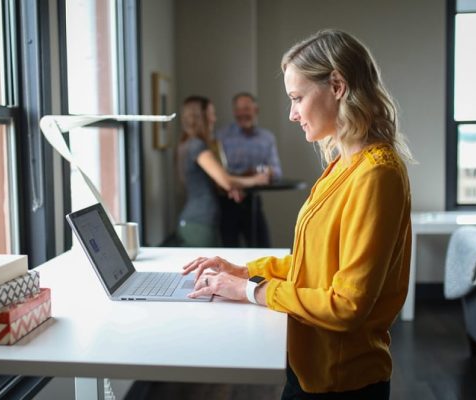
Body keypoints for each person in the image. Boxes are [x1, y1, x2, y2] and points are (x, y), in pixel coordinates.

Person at [182, 29, 413, 399]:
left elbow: (347, 305)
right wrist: (245, 271)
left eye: (297, 98)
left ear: (337, 85)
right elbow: (316, 266)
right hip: (308, 367)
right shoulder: (343, 165)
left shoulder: (376, 174)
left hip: (342, 382)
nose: (292, 114)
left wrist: (250, 291)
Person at [176, 96, 270, 248]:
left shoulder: (189, 143)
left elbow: (218, 180)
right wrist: (256, 180)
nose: (214, 119)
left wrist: (231, 188)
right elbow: (225, 179)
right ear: (201, 117)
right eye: (211, 114)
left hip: (197, 222)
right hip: (200, 223)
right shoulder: (197, 146)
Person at [215, 92, 283, 248]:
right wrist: (246, 178)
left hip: (253, 203)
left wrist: (265, 172)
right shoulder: (221, 136)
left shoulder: (267, 137)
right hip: (227, 203)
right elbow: (219, 173)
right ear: (234, 112)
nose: (242, 113)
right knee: (229, 253)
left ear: (256, 110)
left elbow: (277, 172)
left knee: (263, 249)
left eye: (246, 108)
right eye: (238, 109)